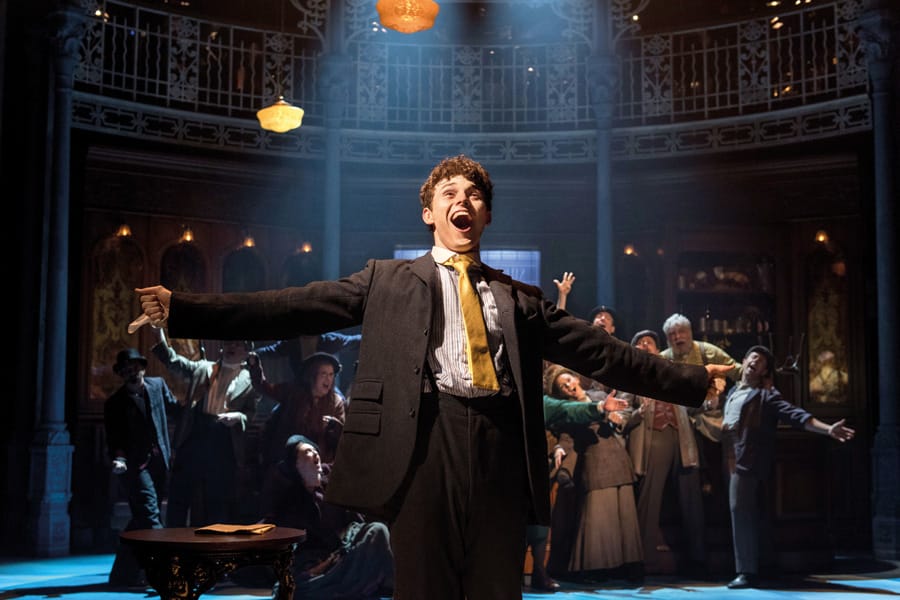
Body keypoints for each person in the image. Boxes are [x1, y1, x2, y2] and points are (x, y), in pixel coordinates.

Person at [135, 154, 730, 599]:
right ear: (429, 211)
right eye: (450, 191)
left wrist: (692, 379)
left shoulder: (518, 299)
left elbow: (607, 355)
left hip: (500, 446)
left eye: (474, 193)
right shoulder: (386, 280)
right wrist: (185, 308)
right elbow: (291, 305)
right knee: (425, 590)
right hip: (421, 445)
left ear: (486, 214)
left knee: (495, 589)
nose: (462, 200)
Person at [720, 345, 855, 589]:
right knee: (745, 512)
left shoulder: (766, 395)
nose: (755, 362)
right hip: (729, 453)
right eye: (753, 357)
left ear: (764, 372)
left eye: (761, 362)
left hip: (747, 458)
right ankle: (759, 564)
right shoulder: (733, 391)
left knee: (740, 511)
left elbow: (797, 415)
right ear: (744, 359)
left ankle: (747, 571)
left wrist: (828, 429)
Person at [256, 434, 393, 598]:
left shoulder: (331, 486)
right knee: (298, 586)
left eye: (316, 450)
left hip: (343, 553)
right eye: (308, 451)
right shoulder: (291, 503)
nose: (315, 454)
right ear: (296, 465)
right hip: (318, 566)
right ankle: (350, 586)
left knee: (377, 531)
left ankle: (359, 585)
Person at [625, 329, 717, 574]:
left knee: (691, 500)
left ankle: (697, 559)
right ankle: (643, 561)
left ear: (658, 349)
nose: (645, 346)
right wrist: (636, 414)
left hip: (682, 438)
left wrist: (708, 402)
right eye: (640, 343)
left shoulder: (673, 373)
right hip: (653, 438)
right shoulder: (630, 376)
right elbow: (621, 412)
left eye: (650, 342)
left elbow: (692, 404)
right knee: (649, 499)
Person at [149, 327, 260, 527]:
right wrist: (160, 337)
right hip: (196, 433)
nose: (231, 347)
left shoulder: (251, 380)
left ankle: (214, 547)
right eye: (228, 343)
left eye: (237, 344)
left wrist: (238, 417)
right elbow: (174, 362)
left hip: (223, 439)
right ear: (221, 348)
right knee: (179, 494)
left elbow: (251, 414)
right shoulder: (204, 368)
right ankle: (172, 542)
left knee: (217, 498)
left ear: (246, 351)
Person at [544, 364, 643, 583]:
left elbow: (619, 416)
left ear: (576, 378)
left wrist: (618, 419)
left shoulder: (598, 395)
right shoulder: (567, 408)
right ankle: (594, 568)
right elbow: (565, 435)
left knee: (624, 514)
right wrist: (559, 448)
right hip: (594, 460)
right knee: (599, 516)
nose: (569, 386)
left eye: (568, 379)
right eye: (563, 386)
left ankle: (628, 566)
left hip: (617, 455)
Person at [103, 348, 178, 587]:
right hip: (135, 468)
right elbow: (114, 439)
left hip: (159, 462)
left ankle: (122, 575)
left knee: (139, 519)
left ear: (142, 368)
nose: (131, 373)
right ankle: (164, 573)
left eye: (134, 368)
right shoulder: (115, 404)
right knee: (150, 515)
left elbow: (176, 410)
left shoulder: (157, 386)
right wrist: (119, 459)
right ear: (121, 375)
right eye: (126, 371)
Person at [249, 351, 346, 468]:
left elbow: (342, 437)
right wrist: (255, 367)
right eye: (324, 374)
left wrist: (334, 426)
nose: (328, 379)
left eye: (331, 374)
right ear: (312, 375)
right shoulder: (293, 392)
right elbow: (264, 387)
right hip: (288, 460)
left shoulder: (335, 402)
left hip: (319, 464)